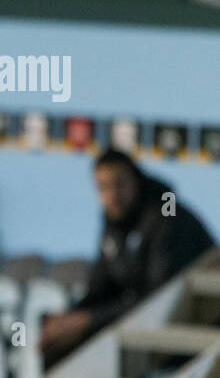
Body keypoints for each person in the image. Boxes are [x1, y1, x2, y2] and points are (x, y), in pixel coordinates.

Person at [41, 148, 214, 365]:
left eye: (119, 184)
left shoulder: (168, 217)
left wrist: (88, 320)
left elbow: (157, 299)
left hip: (189, 325)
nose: (112, 195)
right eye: (103, 187)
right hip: (145, 319)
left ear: (136, 181)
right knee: (56, 341)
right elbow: (101, 287)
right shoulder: (114, 219)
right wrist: (69, 319)